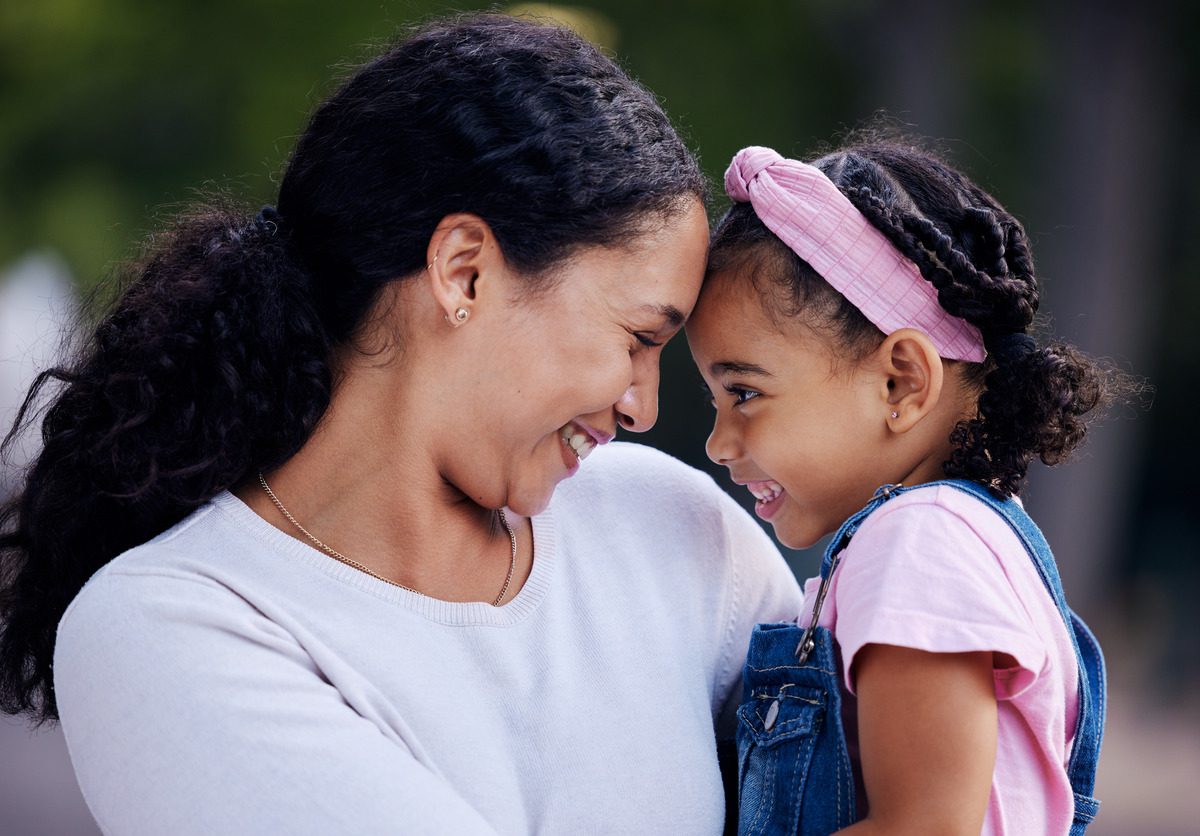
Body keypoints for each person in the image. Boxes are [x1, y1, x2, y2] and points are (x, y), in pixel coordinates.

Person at [0, 16, 802, 834]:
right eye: (638, 340)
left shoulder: (678, 533)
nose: (642, 406)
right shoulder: (168, 626)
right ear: (465, 272)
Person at [687, 141, 1129, 834]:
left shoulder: (918, 542)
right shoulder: (964, 537)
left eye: (743, 392)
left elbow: (923, 826)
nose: (719, 443)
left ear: (902, 382)